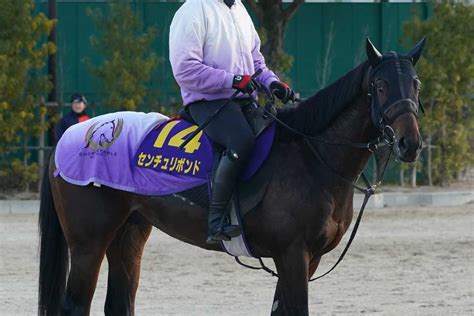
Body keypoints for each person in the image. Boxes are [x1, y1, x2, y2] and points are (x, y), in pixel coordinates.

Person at [169, 0, 296, 244]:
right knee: (241, 141)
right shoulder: (194, 10)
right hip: (207, 102)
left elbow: (256, 62)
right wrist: (232, 80)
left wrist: (273, 83)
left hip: (242, 100)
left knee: (277, 136)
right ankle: (216, 221)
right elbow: (185, 69)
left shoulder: (239, 10)